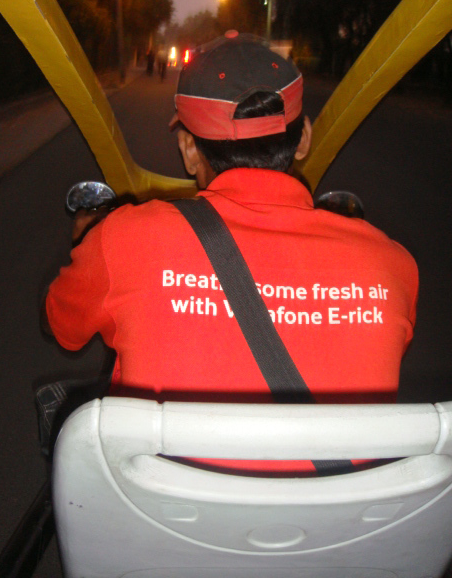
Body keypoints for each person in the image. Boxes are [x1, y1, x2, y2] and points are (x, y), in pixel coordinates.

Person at [45, 31, 418, 472]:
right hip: (339, 513)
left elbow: (64, 330)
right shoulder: (392, 265)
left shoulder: (122, 238)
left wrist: (86, 242)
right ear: (303, 138)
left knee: (67, 410)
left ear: (189, 149)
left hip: (160, 505)